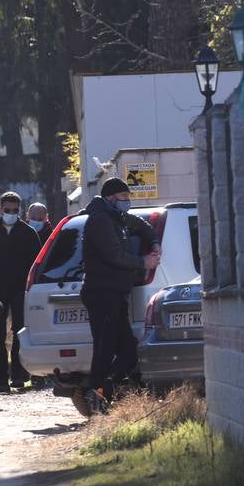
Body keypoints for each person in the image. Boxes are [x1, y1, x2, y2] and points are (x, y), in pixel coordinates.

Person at [79, 177, 160, 413]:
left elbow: (140, 225)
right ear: (111, 199)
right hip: (102, 294)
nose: (128, 203)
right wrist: (143, 262)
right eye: (124, 199)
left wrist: (153, 242)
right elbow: (114, 256)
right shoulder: (101, 221)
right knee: (104, 351)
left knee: (127, 353)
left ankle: (106, 389)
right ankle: (97, 400)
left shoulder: (116, 217)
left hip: (116, 294)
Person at [0, 190, 42, 394]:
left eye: (15, 210)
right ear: (0, 209)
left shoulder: (28, 233)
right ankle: (1, 381)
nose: (11, 213)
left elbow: (37, 263)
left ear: (20, 210)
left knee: (18, 332)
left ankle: (17, 375)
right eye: (7, 210)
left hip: (19, 289)